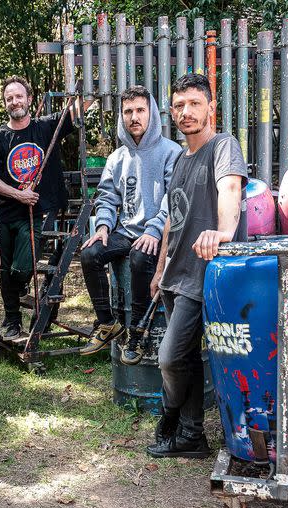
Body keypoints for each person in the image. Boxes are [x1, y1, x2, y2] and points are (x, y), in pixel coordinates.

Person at [147, 74, 248, 458]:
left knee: (170, 356)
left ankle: (170, 417)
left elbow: (230, 189)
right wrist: (159, 271)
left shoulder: (223, 146)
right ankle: (192, 437)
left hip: (206, 272)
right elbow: (173, 220)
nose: (185, 112)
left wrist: (222, 231)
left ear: (211, 108)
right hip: (177, 272)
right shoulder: (180, 160)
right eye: (178, 105)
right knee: (186, 358)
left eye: (194, 103)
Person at [79, 85, 182, 360]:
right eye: (128, 111)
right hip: (125, 230)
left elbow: (172, 200)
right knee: (90, 253)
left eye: (140, 110)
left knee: (140, 257)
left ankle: (136, 334)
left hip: (157, 232)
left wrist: (154, 230)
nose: (134, 117)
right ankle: (108, 323)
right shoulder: (116, 157)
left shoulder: (171, 152)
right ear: (121, 116)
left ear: (151, 114)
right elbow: (107, 197)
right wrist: (102, 227)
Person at [0, 76, 86, 340]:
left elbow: (79, 110)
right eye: (9, 98)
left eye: (19, 96)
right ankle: (12, 320)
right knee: (6, 269)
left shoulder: (46, 127)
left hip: (40, 210)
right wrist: (19, 194)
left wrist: (85, 84)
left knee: (22, 267)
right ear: (5, 104)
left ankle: (20, 291)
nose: (15, 101)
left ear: (29, 99)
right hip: (6, 212)